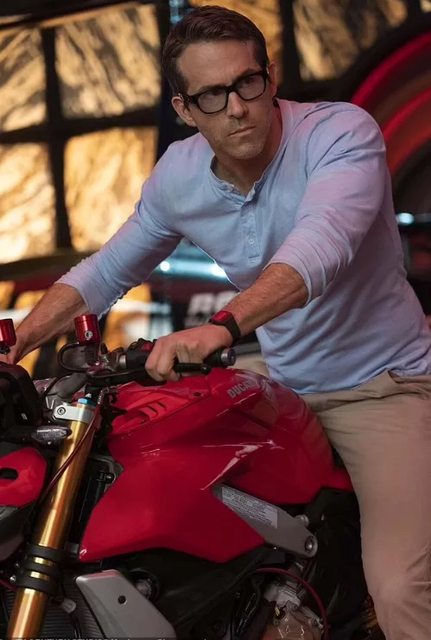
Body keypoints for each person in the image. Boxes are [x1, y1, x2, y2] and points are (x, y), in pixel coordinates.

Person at [3, 6, 431, 638]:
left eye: (247, 83)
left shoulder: (339, 133)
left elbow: (322, 247)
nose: (237, 108)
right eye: (212, 95)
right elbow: (106, 270)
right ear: (184, 108)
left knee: (400, 587)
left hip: (383, 387)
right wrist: (15, 344)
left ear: (270, 76)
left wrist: (223, 327)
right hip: (284, 393)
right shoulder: (180, 176)